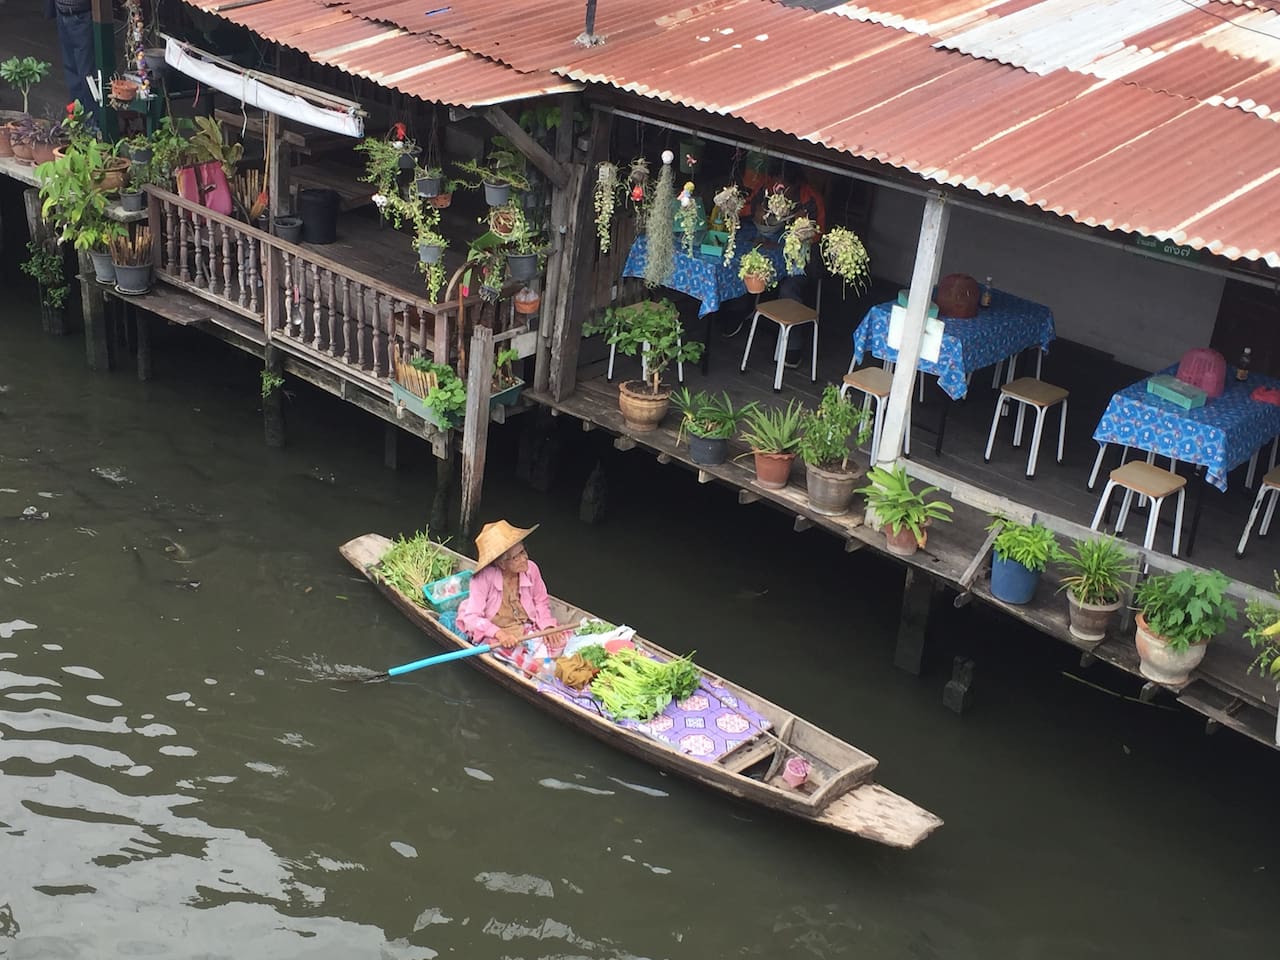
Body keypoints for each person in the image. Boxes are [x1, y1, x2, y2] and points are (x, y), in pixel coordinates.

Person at [455, 520, 567, 652]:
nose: (524, 558)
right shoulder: (481, 579)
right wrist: (500, 634)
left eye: (523, 551)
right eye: (516, 557)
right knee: (513, 654)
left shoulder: (531, 569)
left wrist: (547, 626)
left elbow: (541, 601)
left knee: (560, 642)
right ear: (501, 564)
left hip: (525, 626)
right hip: (494, 629)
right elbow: (472, 618)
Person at [47, 0, 95, 114]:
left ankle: (92, 120)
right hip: (63, 11)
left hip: (81, 14)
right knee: (71, 70)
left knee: (86, 72)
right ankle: (78, 116)